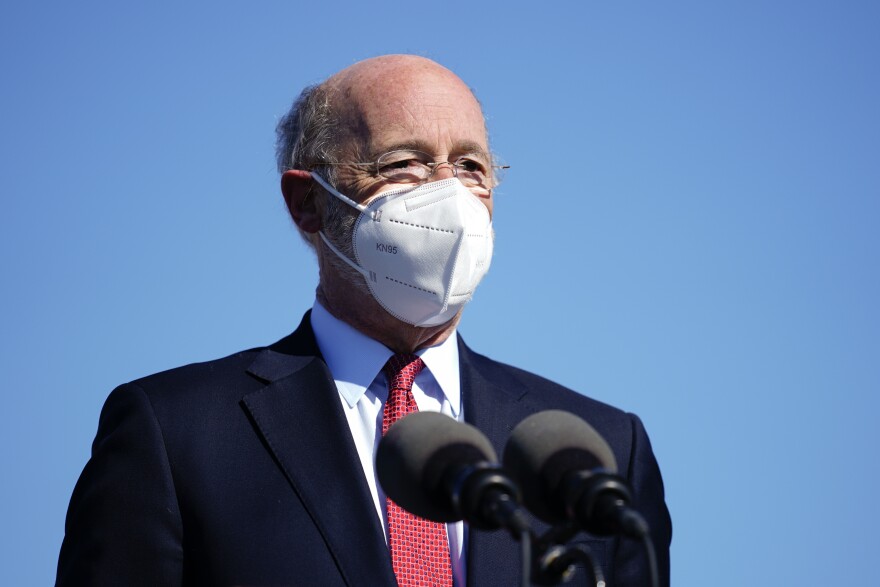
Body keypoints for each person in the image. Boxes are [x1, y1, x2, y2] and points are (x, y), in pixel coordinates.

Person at [57, 54, 671, 586]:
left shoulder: (597, 451)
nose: (448, 194)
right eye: (403, 164)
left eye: (470, 167)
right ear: (308, 204)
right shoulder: (176, 434)